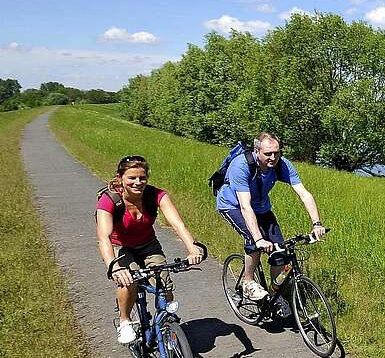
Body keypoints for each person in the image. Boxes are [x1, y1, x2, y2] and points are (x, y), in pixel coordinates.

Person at [96, 155, 203, 344]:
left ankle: (167, 322)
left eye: (142, 178)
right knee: (129, 280)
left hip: (148, 244)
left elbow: (178, 225)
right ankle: (125, 321)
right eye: (132, 178)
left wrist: (192, 248)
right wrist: (114, 267)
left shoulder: (156, 195)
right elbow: (103, 237)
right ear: (120, 177)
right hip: (121, 246)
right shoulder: (109, 199)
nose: (138, 182)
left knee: (163, 279)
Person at [216, 132, 326, 317]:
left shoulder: (282, 165)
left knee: (281, 252)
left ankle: (275, 295)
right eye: (268, 154)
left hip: (261, 207)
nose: (273, 157)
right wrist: (259, 239)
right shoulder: (241, 166)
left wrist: (317, 224)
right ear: (257, 151)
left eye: (276, 152)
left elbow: (304, 194)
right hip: (233, 206)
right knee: (253, 239)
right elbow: (245, 206)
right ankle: (248, 282)